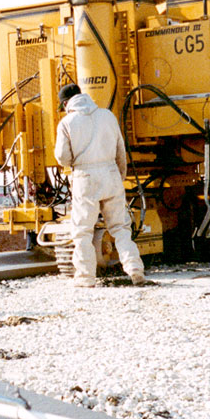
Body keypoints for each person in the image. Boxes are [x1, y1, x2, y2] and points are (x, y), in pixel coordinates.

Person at [53, 83, 146, 286]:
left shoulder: (67, 122)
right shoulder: (108, 116)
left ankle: (85, 277)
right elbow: (120, 150)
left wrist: (73, 165)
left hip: (85, 178)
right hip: (111, 174)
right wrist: (118, 177)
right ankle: (135, 269)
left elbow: (62, 156)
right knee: (121, 228)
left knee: (83, 231)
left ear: (66, 103)